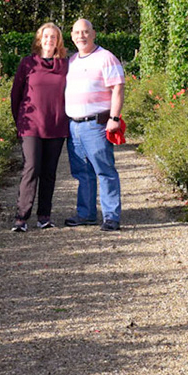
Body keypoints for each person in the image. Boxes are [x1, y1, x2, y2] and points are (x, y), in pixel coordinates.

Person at [63, 16, 126, 231]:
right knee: (82, 173)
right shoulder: (72, 61)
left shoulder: (106, 57)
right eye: (77, 32)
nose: (81, 36)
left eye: (85, 31)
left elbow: (118, 88)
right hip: (74, 126)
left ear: (93, 33)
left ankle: (111, 216)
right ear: (71, 36)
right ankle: (86, 213)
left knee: (104, 170)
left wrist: (114, 118)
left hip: (96, 125)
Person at [9, 22, 70, 233]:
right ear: (39, 39)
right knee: (31, 168)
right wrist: (19, 121)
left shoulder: (65, 65)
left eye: (54, 37)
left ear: (58, 41)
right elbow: (15, 94)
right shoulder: (27, 63)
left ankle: (44, 216)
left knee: (49, 172)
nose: (49, 40)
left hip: (56, 124)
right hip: (31, 125)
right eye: (46, 36)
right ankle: (21, 217)